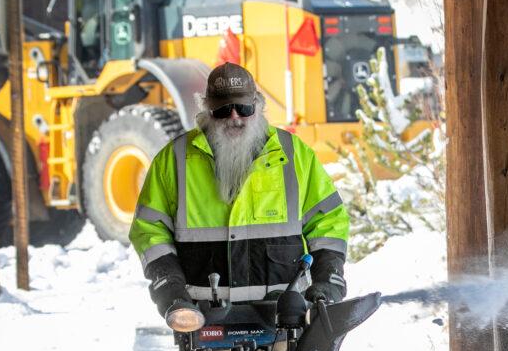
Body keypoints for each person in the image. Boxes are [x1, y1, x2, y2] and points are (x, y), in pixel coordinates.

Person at [129, 63, 349, 331]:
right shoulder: (173, 160)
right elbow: (149, 231)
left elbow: (328, 221)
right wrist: (170, 289)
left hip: (284, 318)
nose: (234, 117)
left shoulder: (295, 155)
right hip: (203, 320)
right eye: (222, 110)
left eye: (244, 108)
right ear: (207, 109)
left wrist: (328, 280)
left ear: (258, 104)